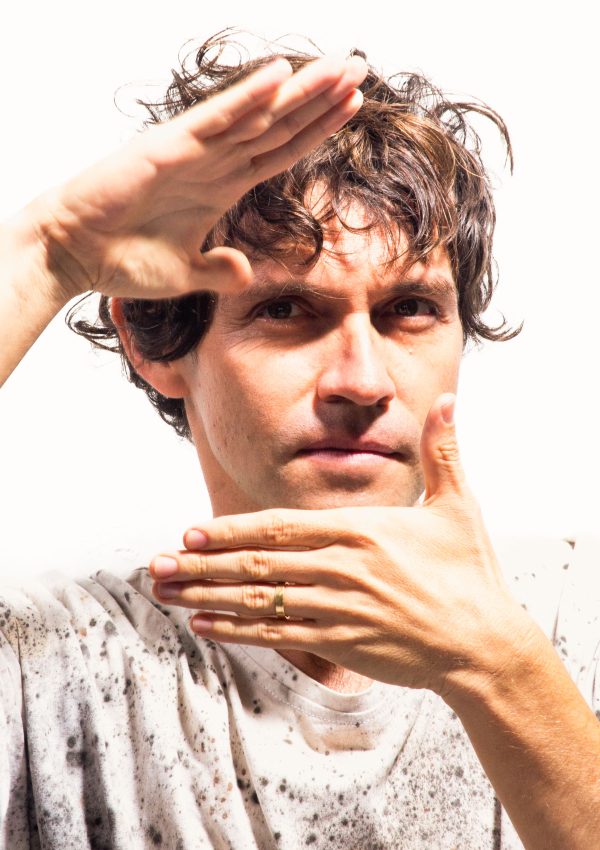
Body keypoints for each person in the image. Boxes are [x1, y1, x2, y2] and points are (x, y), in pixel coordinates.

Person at [1, 30, 598, 850]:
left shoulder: (575, 618)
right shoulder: (58, 665)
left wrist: (500, 669)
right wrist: (44, 257)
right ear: (154, 343)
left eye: (410, 310)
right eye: (285, 311)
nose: (363, 380)